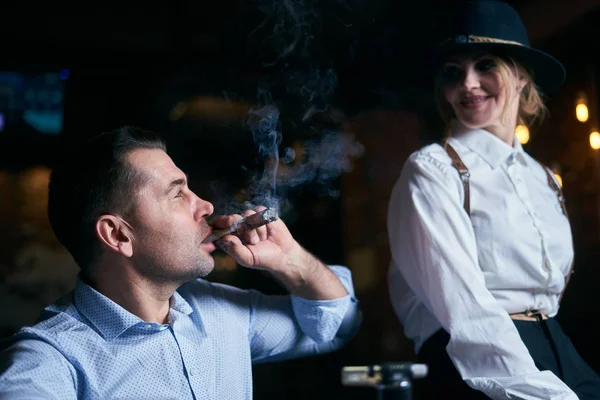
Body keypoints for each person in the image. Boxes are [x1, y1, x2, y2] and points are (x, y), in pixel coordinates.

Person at [0, 126, 362, 399]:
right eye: (177, 194)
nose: (205, 206)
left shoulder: (221, 313)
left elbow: (338, 324)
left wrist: (291, 261)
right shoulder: (49, 362)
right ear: (118, 235)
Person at [387, 1, 600, 399]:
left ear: (521, 76)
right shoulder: (433, 170)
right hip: (473, 363)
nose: (468, 83)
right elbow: (467, 313)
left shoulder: (540, 176)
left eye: (485, 65)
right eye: (454, 72)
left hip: (555, 345)